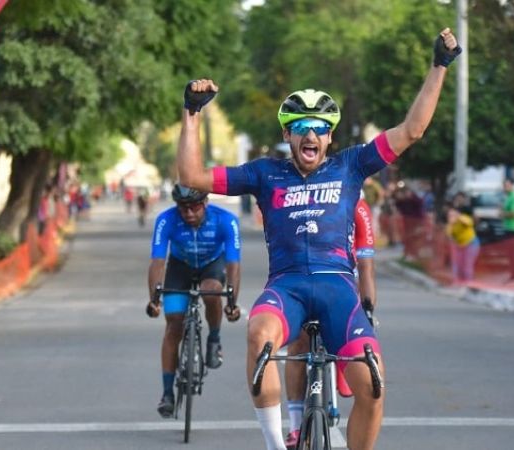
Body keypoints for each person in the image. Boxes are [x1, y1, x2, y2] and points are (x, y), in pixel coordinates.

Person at [176, 28, 460, 450]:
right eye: (300, 127)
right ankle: (277, 444)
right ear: (288, 135)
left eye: (320, 127)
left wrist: (439, 66)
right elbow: (192, 177)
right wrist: (192, 114)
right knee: (258, 337)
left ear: (330, 136)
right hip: (286, 286)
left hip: (337, 288)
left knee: (374, 384)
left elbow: (412, 131)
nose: (310, 135)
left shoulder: (352, 165)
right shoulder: (263, 173)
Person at [283, 193, 377, 448]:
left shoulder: (359, 208)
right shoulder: (310, 202)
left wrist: (368, 309)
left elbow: (366, 267)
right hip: (310, 273)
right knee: (299, 345)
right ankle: (294, 425)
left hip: (347, 278)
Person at [145, 184, 242, 418]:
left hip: (212, 264)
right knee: (173, 325)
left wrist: (231, 302)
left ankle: (214, 340)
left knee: (211, 291)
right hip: (180, 266)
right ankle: (167, 394)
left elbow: (233, 265)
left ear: (206, 202)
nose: (189, 213)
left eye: (195, 207)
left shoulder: (226, 220)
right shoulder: (166, 220)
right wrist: (154, 300)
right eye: (183, 208)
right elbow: (158, 262)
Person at [446, 205, 480, 284]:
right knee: (457, 265)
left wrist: (458, 217)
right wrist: (452, 224)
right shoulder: (450, 226)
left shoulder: (464, 218)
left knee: (467, 266)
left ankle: (468, 284)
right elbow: (450, 235)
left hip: (472, 244)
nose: (451, 217)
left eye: (453, 215)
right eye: (449, 215)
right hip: (460, 246)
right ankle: (458, 282)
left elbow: (469, 222)